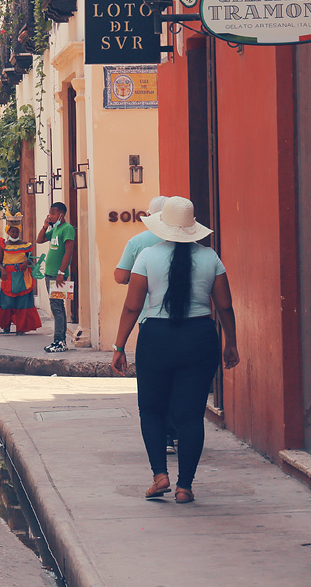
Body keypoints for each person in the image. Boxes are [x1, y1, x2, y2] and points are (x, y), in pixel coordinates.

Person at [111, 196, 239, 504]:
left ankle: (160, 476)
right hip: (200, 337)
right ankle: (185, 486)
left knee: (152, 410)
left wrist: (119, 346)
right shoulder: (211, 258)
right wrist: (231, 343)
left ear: (162, 226)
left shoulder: (147, 258)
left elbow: (132, 306)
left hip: (157, 338)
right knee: (191, 414)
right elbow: (224, 306)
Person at [115, 196, 177, 453]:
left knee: (155, 383)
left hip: (150, 321)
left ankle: (163, 439)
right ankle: (178, 431)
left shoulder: (139, 243)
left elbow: (120, 278)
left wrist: (118, 346)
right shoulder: (193, 245)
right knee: (179, 380)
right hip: (190, 323)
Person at [37, 201, 76, 353]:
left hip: (57, 275)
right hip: (49, 273)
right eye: (50, 213)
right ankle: (59, 341)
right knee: (57, 307)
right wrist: (45, 225)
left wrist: (61, 272)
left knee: (57, 308)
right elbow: (39, 240)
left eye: (53, 213)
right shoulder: (55, 229)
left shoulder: (67, 229)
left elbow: (68, 251)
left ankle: (59, 341)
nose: (50, 216)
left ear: (61, 214)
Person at [0, 214, 41, 334]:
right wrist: (3, 270)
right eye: (12, 231)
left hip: (23, 277)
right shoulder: (3, 246)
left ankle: (21, 327)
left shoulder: (25, 245)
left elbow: (30, 260)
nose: (14, 234)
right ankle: (6, 325)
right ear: (8, 232)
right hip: (8, 277)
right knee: (7, 302)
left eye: (16, 232)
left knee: (23, 302)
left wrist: (26, 263)